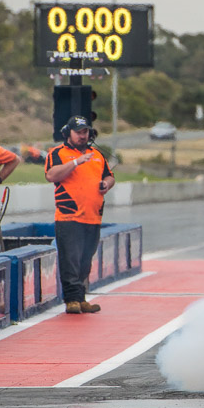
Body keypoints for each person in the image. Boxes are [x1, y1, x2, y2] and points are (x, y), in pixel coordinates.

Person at [45, 115, 115, 315]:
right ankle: (72, 300)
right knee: (71, 260)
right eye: (78, 132)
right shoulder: (57, 153)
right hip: (69, 217)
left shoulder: (97, 155)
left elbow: (110, 176)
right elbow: (51, 175)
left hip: (93, 216)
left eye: (85, 132)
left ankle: (81, 297)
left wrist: (106, 184)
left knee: (85, 260)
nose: (82, 136)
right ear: (68, 133)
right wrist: (76, 162)